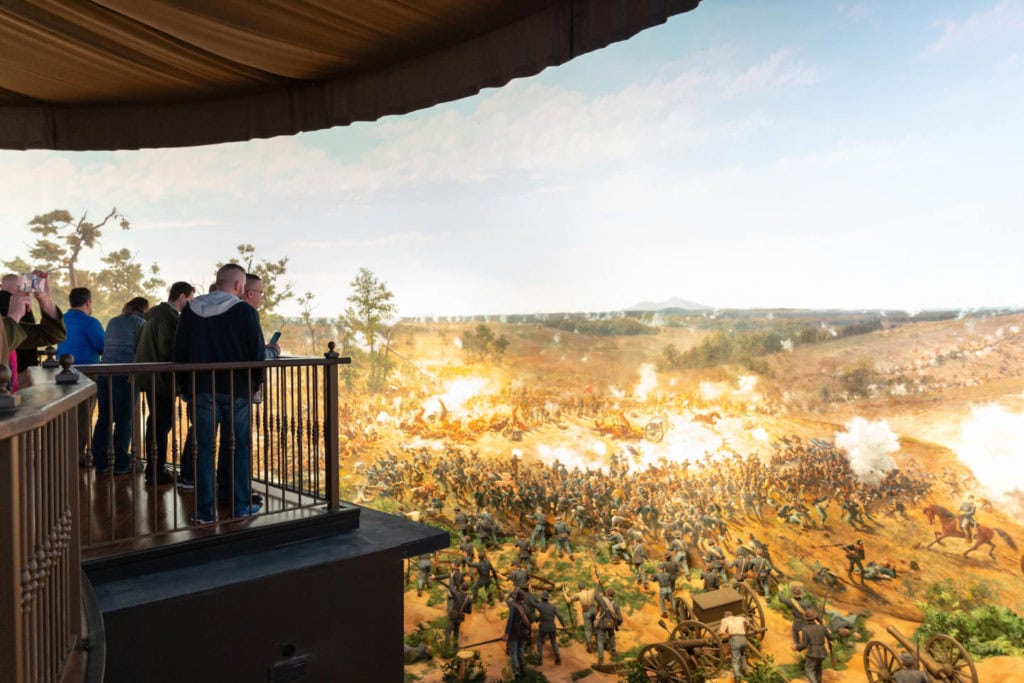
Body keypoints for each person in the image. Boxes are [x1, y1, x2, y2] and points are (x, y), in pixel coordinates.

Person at [173, 264, 265, 523]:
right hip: (238, 391)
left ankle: (204, 512)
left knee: (203, 449)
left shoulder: (191, 311)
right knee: (239, 448)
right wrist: (254, 385)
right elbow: (256, 355)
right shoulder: (245, 312)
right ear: (239, 286)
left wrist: (185, 387)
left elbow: (179, 352)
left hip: (202, 390)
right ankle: (241, 505)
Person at [135, 282, 195, 484]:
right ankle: (156, 470)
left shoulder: (152, 313)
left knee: (156, 422)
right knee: (161, 424)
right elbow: (168, 349)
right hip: (161, 380)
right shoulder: (169, 317)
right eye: (191, 299)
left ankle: (154, 468)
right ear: (182, 297)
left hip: (149, 376)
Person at [92, 297, 148, 475]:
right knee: (124, 420)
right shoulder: (141, 322)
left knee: (105, 418)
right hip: (125, 375)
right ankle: (121, 464)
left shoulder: (113, 320)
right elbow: (143, 349)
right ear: (144, 309)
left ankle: (100, 462)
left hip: (104, 373)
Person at [57, 287, 104, 459]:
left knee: (64, 416)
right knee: (83, 417)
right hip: (86, 373)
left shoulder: (61, 319)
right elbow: (102, 345)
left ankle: (61, 454)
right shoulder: (90, 322)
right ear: (88, 302)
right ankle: (76, 455)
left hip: (61, 372)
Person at [0, 271, 65, 391]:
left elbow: (52, 335)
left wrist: (45, 300)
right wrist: (14, 316)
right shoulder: (12, 310)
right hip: (19, 375)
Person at [793, 609, 833, 683]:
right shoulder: (822, 627)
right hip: (822, 652)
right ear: (815, 618)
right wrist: (828, 630)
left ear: (806, 619)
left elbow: (805, 645)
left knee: (809, 669)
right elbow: (831, 638)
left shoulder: (805, 629)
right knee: (818, 668)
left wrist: (796, 647)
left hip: (813, 653)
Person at [503, 590, 533, 675]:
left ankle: (516, 671)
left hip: (514, 633)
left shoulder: (513, 607)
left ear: (516, 598)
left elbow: (510, 621)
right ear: (523, 599)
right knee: (520, 650)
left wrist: (506, 633)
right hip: (523, 633)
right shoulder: (526, 608)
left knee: (513, 652)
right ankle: (522, 668)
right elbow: (530, 619)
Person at [534, 590, 566, 665]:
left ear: (542, 598)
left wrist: (536, 619)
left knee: (539, 640)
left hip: (543, 627)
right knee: (553, 641)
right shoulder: (553, 607)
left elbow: (539, 613)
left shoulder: (540, 606)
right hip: (552, 627)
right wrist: (563, 625)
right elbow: (560, 616)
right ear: (547, 599)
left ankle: (539, 658)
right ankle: (558, 656)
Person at [718, 609, 749, 682]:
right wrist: (745, 631)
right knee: (742, 655)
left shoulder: (725, 620)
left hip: (735, 640)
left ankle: (737, 677)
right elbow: (748, 623)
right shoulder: (740, 618)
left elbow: (721, 631)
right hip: (743, 639)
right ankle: (746, 671)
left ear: (726, 616)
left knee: (735, 659)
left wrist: (716, 635)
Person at [595, 588, 622, 666]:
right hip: (611, 624)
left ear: (606, 594)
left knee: (600, 641)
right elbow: (620, 618)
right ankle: (613, 650)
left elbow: (596, 595)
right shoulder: (616, 605)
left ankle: (600, 658)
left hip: (601, 624)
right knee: (612, 635)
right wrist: (617, 624)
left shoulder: (602, 601)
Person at [570, 581, 598, 653]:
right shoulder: (591, 591)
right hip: (593, 610)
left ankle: (589, 643)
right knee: (595, 624)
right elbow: (597, 591)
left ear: (579, 588)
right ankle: (598, 638)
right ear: (585, 587)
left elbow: (569, 600)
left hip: (586, 612)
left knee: (587, 629)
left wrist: (564, 593)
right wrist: (597, 582)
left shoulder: (578, 594)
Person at [444, 579, 472, 647]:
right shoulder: (469, 599)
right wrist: (462, 610)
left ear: (461, 587)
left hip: (453, 616)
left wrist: (451, 578)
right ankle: (455, 647)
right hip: (459, 618)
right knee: (456, 633)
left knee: (447, 631)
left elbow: (450, 588)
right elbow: (469, 612)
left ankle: (447, 647)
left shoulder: (457, 594)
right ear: (467, 589)